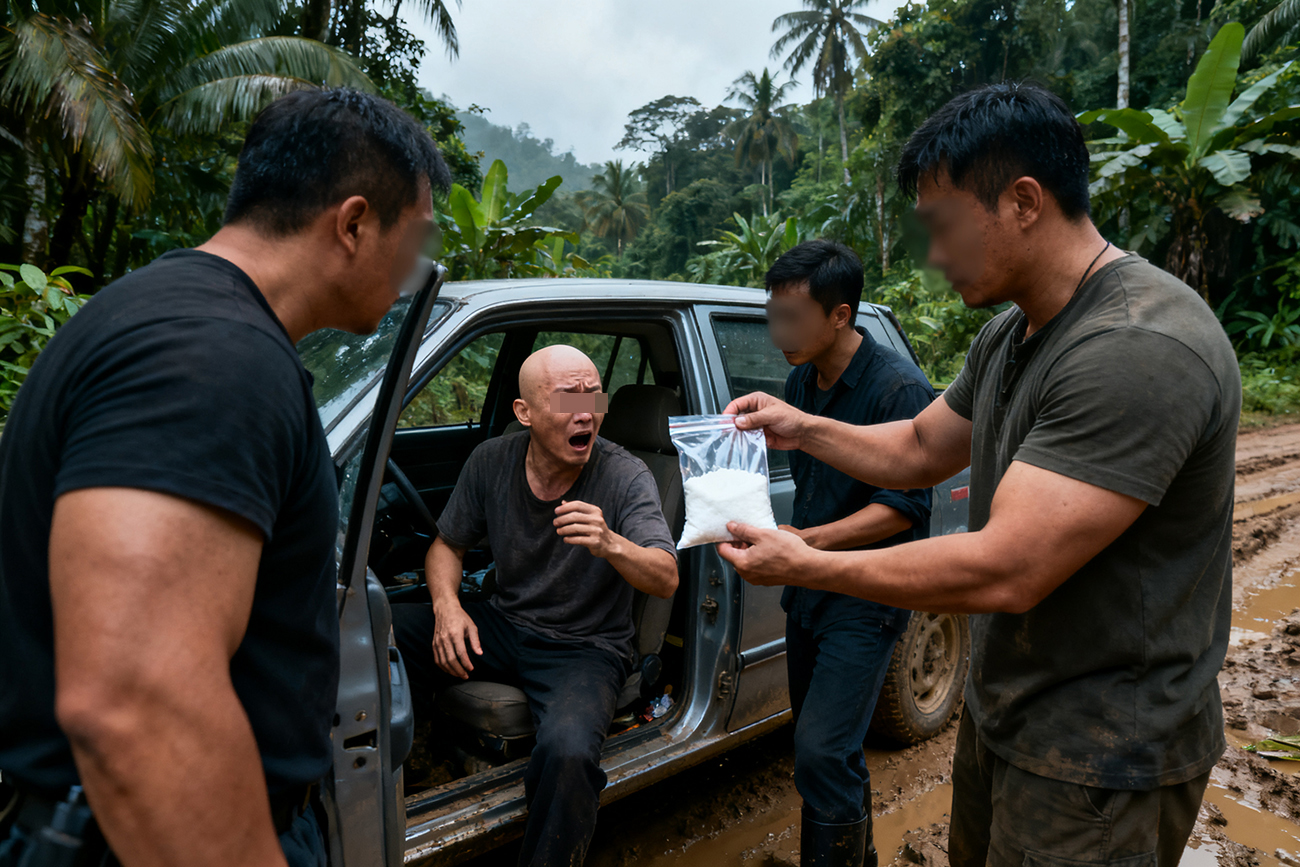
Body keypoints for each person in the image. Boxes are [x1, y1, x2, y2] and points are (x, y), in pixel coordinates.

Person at [718, 82, 1239, 867]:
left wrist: (812, 561)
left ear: (1024, 201)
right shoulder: (1007, 334)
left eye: (942, 226)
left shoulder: (1136, 345)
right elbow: (922, 447)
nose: (932, 254)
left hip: (1101, 751)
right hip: (1009, 713)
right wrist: (801, 425)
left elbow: (1008, 565)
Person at [0, 88, 450, 867]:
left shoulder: (166, 315)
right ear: (352, 223)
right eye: (414, 242)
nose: (417, 270)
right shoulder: (213, 359)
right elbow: (136, 706)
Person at [391, 344, 678, 867]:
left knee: (568, 755)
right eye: (569, 397)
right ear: (525, 413)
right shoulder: (493, 460)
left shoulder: (625, 474)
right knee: (381, 631)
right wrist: (448, 607)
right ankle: (399, 776)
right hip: (502, 623)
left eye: (593, 395)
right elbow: (446, 546)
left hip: (584, 647)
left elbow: (665, 578)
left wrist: (611, 542)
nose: (586, 411)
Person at [763, 240, 933, 867]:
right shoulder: (799, 380)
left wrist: (805, 545)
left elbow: (904, 508)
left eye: (794, 318)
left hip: (865, 596)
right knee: (833, 750)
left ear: (840, 316)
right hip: (806, 594)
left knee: (820, 752)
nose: (781, 332)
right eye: (774, 315)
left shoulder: (899, 391)